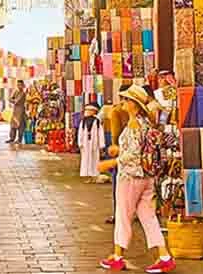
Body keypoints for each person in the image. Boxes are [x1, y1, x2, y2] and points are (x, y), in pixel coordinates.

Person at [97, 85, 177, 273]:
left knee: (123, 216)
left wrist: (109, 163)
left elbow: (132, 155)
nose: (123, 103)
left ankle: (117, 256)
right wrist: (119, 150)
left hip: (130, 177)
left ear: (134, 104)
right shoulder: (145, 124)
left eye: (126, 100)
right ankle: (164, 256)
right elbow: (137, 149)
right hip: (146, 177)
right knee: (148, 217)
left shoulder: (134, 125)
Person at [77, 103, 105, 181]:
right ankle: (87, 175)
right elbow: (80, 133)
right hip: (85, 144)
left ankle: (94, 175)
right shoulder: (83, 121)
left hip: (94, 144)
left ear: (94, 111)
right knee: (85, 159)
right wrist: (80, 142)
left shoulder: (97, 122)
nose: (87, 112)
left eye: (89, 110)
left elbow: (100, 133)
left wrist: (101, 145)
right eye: (87, 110)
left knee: (95, 159)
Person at [7, 81, 27, 145]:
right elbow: (10, 99)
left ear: (23, 85)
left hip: (20, 110)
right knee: (13, 125)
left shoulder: (23, 93)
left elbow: (16, 101)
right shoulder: (16, 92)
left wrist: (12, 100)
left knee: (20, 125)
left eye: (20, 85)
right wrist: (13, 100)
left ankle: (19, 139)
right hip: (15, 110)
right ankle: (12, 138)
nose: (19, 86)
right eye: (18, 85)